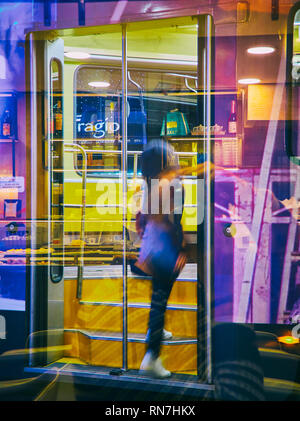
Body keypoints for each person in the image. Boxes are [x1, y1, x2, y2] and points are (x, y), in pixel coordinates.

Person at [136, 139, 186, 378]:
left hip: (152, 249)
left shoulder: (151, 184)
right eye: (172, 156)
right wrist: (180, 248)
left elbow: (143, 218)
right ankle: (152, 357)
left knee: (158, 298)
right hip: (164, 250)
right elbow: (168, 221)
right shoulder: (169, 185)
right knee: (159, 300)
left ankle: (153, 334)